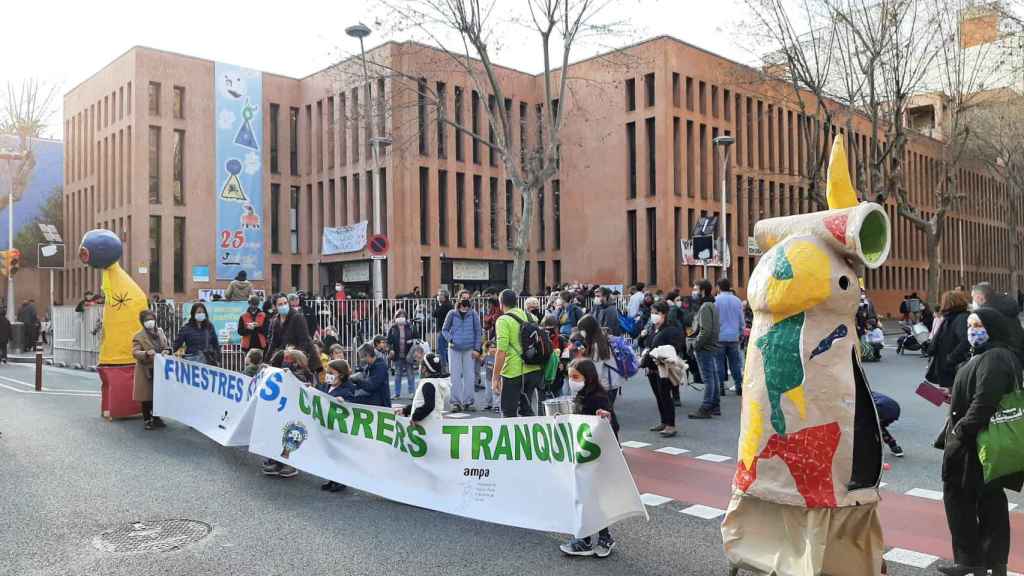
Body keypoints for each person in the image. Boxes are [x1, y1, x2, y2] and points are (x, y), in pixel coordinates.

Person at [938, 306, 1024, 576]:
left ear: (992, 328)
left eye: (978, 326)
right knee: (988, 500)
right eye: (970, 327)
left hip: (977, 442)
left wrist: (960, 432)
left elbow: (985, 402)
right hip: (978, 440)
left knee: (960, 498)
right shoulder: (987, 354)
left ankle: (974, 560)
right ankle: (989, 562)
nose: (972, 331)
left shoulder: (995, 357)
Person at [559, 358, 618, 557]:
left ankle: (604, 537)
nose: (572, 381)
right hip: (583, 453)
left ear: (588, 377)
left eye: (576, 377)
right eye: (570, 377)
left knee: (594, 497)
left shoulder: (598, 398)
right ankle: (584, 538)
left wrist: (606, 418)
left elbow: (613, 425)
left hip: (599, 456)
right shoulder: (579, 395)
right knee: (582, 496)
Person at [492, 288, 542, 417]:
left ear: (501, 303)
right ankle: (530, 436)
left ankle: (512, 437)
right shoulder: (530, 316)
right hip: (534, 368)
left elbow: (501, 351)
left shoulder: (503, 320)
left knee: (508, 412)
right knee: (526, 411)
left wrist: (495, 378)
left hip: (514, 372)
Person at [641, 301, 682, 437]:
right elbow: (647, 345)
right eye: (652, 313)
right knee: (659, 396)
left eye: (656, 313)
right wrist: (643, 337)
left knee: (665, 396)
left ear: (664, 314)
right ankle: (664, 421)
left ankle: (671, 425)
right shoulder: (653, 329)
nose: (653, 316)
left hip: (664, 369)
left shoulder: (670, 330)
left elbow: (675, 348)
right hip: (652, 369)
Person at [442, 291, 482, 412]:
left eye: (467, 298)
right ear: (458, 299)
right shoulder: (452, 314)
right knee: (455, 376)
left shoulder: (474, 314)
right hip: (454, 349)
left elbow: (478, 332)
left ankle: (468, 402)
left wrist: (477, 349)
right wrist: (451, 339)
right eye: (463, 298)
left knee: (469, 376)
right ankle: (456, 402)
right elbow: (444, 330)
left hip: (469, 349)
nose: (465, 300)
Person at [131, 309, 171, 430]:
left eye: (151, 319)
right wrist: (146, 353)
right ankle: (147, 419)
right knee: (146, 396)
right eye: (147, 320)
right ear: (142, 322)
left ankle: (157, 417)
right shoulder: (138, 336)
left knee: (158, 395)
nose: (150, 322)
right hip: (146, 369)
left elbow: (167, 345)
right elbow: (135, 352)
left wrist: (167, 350)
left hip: (159, 368)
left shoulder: (160, 332)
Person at [689, 279, 721, 419]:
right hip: (711, 346)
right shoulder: (711, 305)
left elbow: (705, 330)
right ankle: (714, 405)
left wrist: (696, 344)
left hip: (704, 347)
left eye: (696, 289)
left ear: (702, 291)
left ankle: (707, 406)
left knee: (708, 378)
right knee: (713, 376)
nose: (693, 292)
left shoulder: (705, 307)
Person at [266, 294, 321, 374]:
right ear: (275, 307)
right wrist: (267, 360)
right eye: (280, 304)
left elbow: (304, 340)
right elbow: (273, 342)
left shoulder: (297, 317)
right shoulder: (276, 320)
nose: (284, 306)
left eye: (285, 303)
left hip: (301, 357)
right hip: (286, 356)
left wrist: (298, 357)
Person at [928, 290, 972, 389]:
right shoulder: (950, 318)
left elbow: (965, 340)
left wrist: (951, 358)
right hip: (949, 366)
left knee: (956, 398)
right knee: (951, 396)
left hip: (954, 367)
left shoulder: (960, 318)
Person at [575, 314, 623, 404]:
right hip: (612, 382)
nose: (581, 332)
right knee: (607, 413)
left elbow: (597, 371)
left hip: (606, 385)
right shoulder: (603, 337)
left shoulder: (597, 345)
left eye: (582, 330)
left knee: (604, 415)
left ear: (588, 329)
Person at [397, 352, 451, 425]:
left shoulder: (428, 384)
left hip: (426, 424)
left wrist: (415, 417)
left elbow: (429, 406)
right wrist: (405, 410)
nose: (419, 367)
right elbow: (421, 403)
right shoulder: (436, 382)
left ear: (424, 369)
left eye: (421, 365)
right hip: (434, 421)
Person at [714, 278, 744, 397]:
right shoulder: (737, 301)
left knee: (719, 363)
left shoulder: (716, 301)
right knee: (735, 363)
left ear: (718, 287)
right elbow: (741, 320)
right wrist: (740, 332)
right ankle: (738, 385)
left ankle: (720, 386)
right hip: (733, 337)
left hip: (719, 336)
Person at [387, 309, 419, 399]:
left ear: (406, 317)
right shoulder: (393, 328)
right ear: (395, 318)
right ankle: (397, 394)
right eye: (399, 316)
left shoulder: (411, 326)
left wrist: (412, 341)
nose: (401, 318)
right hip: (397, 355)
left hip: (409, 354)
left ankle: (412, 393)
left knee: (410, 374)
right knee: (398, 375)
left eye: (403, 316)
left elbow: (417, 338)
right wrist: (391, 349)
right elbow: (389, 341)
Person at [871, 391, 904, 457]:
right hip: (896, 409)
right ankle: (895, 447)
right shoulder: (871, 392)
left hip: (882, 409)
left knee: (870, 425)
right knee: (879, 426)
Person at [433, 290, 453, 366]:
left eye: (440, 295)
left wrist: (438, 304)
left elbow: (435, 313)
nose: (438, 296)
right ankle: (448, 365)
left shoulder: (445, 305)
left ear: (445, 297)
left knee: (442, 349)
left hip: (444, 330)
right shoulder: (447, 305)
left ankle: (445, 366)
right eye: (438, 295)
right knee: (444, 348)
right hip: (445, 329)